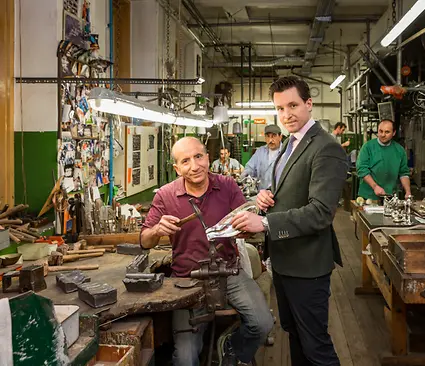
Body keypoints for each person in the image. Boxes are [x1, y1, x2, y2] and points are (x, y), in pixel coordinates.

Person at [229, 76, 348, 366]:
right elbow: (289, 191)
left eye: (293, 105)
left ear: (309, 104)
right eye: (280, 109)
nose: (286, 115)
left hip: (307, 265)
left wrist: (266, 223)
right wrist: (266, 197)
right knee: (294, 334)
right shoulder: (291, 144)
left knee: (316, 346)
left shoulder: (326, 148)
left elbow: (320, 211)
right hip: (284, 261)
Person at [140, 137, 273, 366]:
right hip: (186, 279)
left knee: (263, 323)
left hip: (228, 272)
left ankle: (233, 347)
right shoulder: (165, 195)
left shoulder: (228, 185)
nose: (194, 166)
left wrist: (245, 228)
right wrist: (157, 230)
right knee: (185, 358)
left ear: (208, 158)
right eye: (185, 161)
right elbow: (144, 241)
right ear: (177, 168)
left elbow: (246, 223)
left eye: (198, 157)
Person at [356, 119, 411, 200]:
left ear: (394, 133)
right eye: (380, 131)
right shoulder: (368, 147)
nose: (382, 135)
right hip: (369, 196)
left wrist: (408, 191)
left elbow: (404, 173)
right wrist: (375, 187)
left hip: (391, 196)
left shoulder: (399, 150)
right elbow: (362, 169)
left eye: (387, 132)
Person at [241, 124, 283, 190]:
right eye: (268, 136)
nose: (270, 140)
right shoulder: (260, 152)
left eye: (273, 136)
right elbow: (250, 167)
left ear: (280, 137)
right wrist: (245, 176)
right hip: (261, 194)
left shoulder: (285, 152)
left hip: (278, 194)